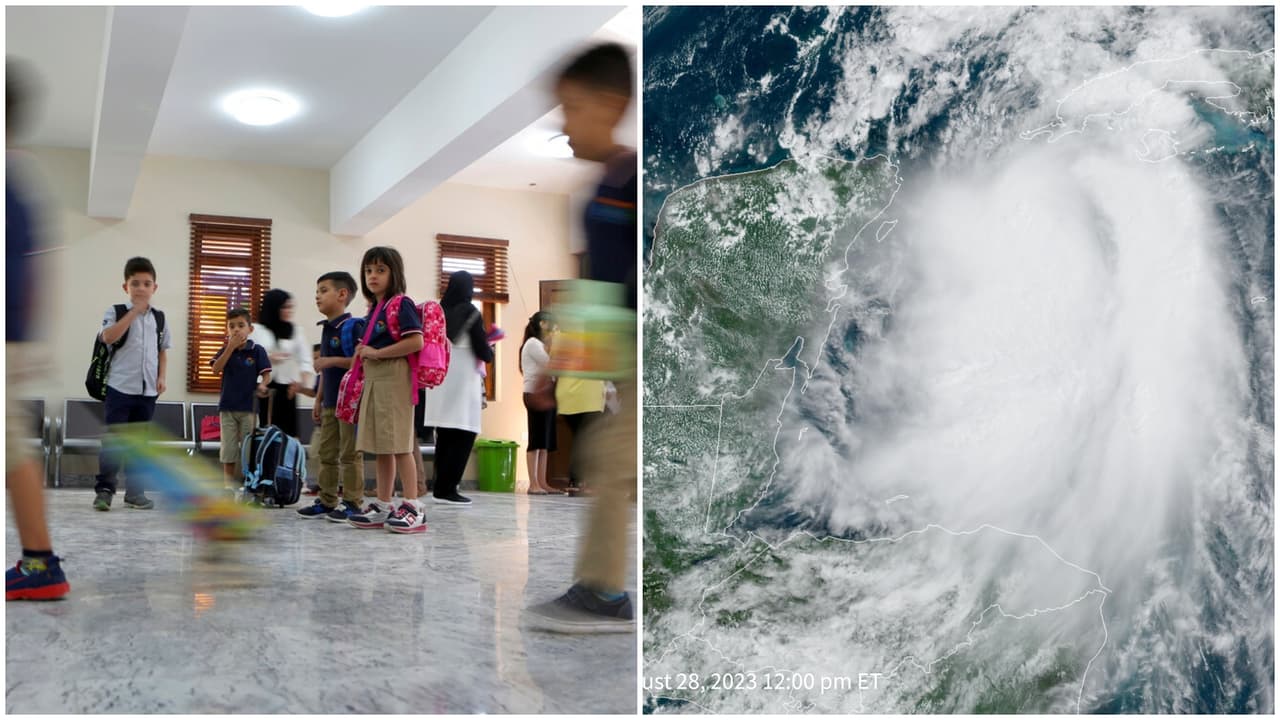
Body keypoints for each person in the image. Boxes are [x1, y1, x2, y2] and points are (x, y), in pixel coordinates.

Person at [525, 43, 637, 632]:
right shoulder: (601, 192)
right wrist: (556, 366)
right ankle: (604, 591)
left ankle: (604, 594)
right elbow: (596, 292)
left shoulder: (634, 180)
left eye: (571, 108)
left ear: (611, 104)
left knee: (615, 461)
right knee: (610, 460)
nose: (563, 125)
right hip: (622, 349)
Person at [6, 56, 69, 600]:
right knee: (13, 450)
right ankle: (39, 560)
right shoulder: (18, 182)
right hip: (11, 338)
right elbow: (38, 266)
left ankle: (41, 562)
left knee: (12, 451)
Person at [346, 247, 427, 533]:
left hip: (394, 375)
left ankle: (413, 505)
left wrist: (377, 354)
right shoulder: (374, 309)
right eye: (369, 270)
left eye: (380, 270)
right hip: (376, 377)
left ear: (394, 273)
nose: (372, 276)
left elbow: (416, 342)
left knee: (400, 443)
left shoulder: (401, 303)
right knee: (382, 445)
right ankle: (383, 504)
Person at [92, 256, 171, 511]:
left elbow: (162, 351)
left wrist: (161, 377)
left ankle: (135, 493)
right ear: (126, 286)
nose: (141, 288)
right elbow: (108, 337)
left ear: (154, 288)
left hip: (147, 391)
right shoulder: (115, 311)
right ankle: (105, 490)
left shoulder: (159, 318)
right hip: (120, 388)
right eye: (135, 283)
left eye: (146, 283)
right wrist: (134, 312)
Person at [297, 272, 368, 521]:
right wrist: (317, 399)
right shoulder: (326, 329)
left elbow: (361, 363)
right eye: (317, 290)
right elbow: (325, 373)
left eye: (323, 290)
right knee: (326, 454)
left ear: (342, 294)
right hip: (329, 402)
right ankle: (327, 500)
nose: (317, 295)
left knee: (349, 455)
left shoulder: (352, 326)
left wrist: (330, 360)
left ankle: (352, 503)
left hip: (349, 402)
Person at [419, 270, 494, 506]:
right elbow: (483, 352)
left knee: (445, 436)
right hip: (463, 381)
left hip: (441, 381)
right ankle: (449, 489)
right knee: (464, 433)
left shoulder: (439, 312)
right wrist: (491, 345)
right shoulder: (470, 311)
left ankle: (440, 488)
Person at [209, 308, 272, 491]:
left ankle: (248, 484)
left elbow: (266, 375)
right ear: (227, 330)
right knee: (228, 449)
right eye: (232, 326)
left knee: (249, 449)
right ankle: (228, 486)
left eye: (241, 325)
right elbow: (215, 369)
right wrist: (230, 347)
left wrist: (263, 384)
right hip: (228, 408)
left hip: (249, 409)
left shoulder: (257, 350)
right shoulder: (225, 350)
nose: (236, 330)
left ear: (250, 329)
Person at [249, 288, 314, 438]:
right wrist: (269, 358)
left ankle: (285, 461)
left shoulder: (296, 331)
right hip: (262, 387)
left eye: (290, 307)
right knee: (264, 431)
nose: (288, 311)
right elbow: (249, 357)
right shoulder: (256, 330)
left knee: (287, 433)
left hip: (287, 388)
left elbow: (306, 360)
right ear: (273, 308)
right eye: (284, 307)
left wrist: (302, 383)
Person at [520, 311, 560, 495]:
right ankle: (533, 483)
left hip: (545, 395)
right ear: (543, 324)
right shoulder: (533, 344)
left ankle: (542, 482)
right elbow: (550, 363)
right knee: (536, 439)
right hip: (535, 394)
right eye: (551, 325)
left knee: (544, 441)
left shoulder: (539, 344)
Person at [556, 375, 607, 492]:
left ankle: (577, 481)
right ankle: (584, 481)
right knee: (588, 440)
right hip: (589, 397)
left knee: (580, 438)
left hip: (567, 395)